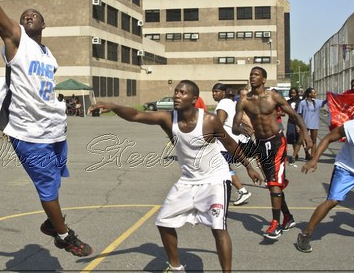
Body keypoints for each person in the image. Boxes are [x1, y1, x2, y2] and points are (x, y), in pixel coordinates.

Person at [0, 0, 92, 257]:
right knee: (47, 186)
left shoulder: (49, 56)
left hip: (54, 129)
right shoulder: (16, 40)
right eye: (24, 15)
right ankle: (64, 235)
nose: (28, 16)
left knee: (56, 179)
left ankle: (52, 224)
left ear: (44, 24)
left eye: (34, 14)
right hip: (27, 132)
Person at [90, 80, 262, 272]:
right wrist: (114, 106)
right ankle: (176, 267)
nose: (177, 95)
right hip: (188, 180)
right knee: (163, 222)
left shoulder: (208, 120)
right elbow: (137, 114)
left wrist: (249, 167)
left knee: (218, 228)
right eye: (176, 92)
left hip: (215, 179)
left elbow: (230, 144)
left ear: (194, 99)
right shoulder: (167, 119)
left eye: (183, 93)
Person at [233, 67, 313, 240]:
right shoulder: (244, 100)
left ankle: (275, 224)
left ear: (264, 79)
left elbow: (294, 116)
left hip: (277, 142)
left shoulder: (273, 96)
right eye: (251, 75)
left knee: (273, 182)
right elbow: (234, 125)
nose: (252, 77)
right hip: (260, 144)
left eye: (256, 75)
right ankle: (288, 217)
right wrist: (240, 128)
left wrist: (305, 134)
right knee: (273, 184)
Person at [297, 96, 354, 253]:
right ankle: (305, 234)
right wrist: (314, 159)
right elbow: (327, 138)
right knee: (332, 201)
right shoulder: (351, 126)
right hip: (346, 169)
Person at [212, 83, 252, 206]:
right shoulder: (231, 103)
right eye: (213, 92)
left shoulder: (223, 103)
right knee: (223, 168)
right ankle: (241, 190)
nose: (214, 94)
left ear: (224, 92)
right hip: (231, 141)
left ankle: (241, 190)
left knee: (220, 168)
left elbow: (219, 123)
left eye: (217, 91)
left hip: (224, 143)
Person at [297, 87, 327, 159]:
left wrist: (329, 96)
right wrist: (298, 125)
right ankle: (306, 153)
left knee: (314, 140)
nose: (315, 94)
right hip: (305, 124)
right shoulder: (303, 103)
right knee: (305, 140)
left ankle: (313, 155)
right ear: (309, 94)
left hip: (314, 124)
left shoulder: (317, 102)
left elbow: (325, 101)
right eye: (314, 93)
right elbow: (299, 114)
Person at [286, 87, 304, 165]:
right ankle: (295, 153)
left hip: (299, 122)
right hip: (291, 121)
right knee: (292, 138)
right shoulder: (288, 102)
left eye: (294, 93)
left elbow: (301, 113)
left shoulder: (300, 102)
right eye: (292, 93)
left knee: (299, 139)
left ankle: (295, 155)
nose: (293, 94)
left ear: (297, 93)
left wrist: (299, 124)